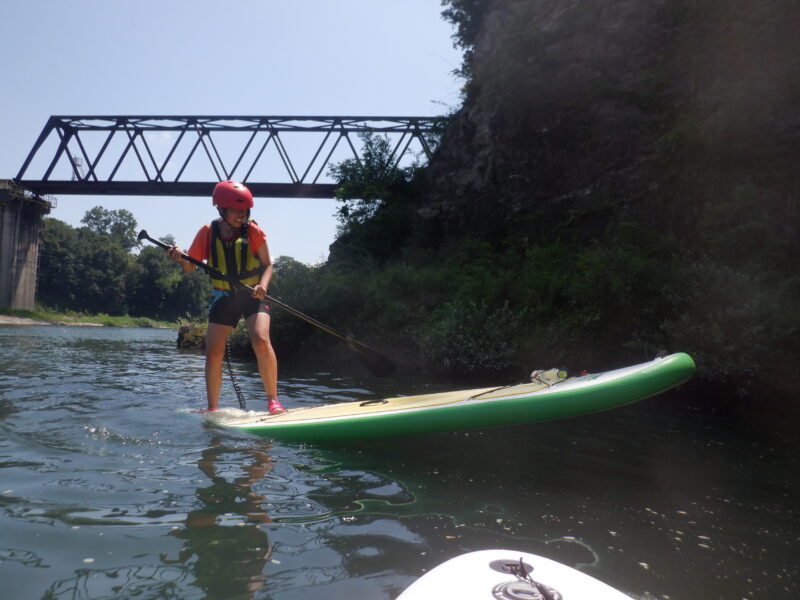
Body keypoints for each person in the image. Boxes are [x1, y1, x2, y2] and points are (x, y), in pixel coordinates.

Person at [167, 180, 286, 414]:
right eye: (236, 210)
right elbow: (190, 268)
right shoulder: (208, 232)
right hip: (224, 296)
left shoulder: (253, 231)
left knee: (261, 339)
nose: (241, 215)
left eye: (245, 211)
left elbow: (268, 264)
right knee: (213, 352)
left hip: (253, 295)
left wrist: (262, 285)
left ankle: (273, 401)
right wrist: (181, 258)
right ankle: (212, 408)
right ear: (221, 209)